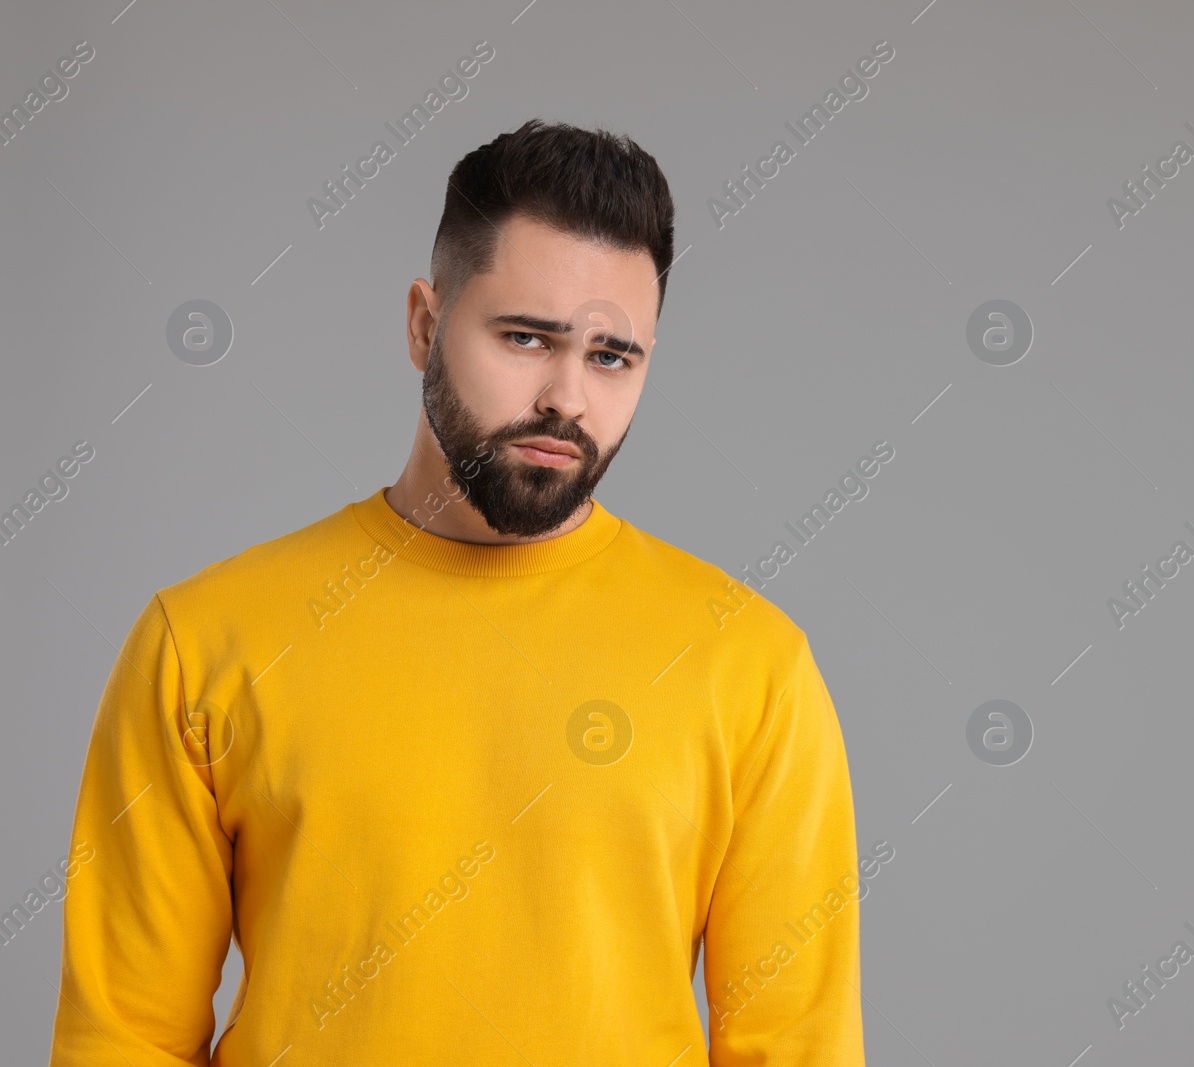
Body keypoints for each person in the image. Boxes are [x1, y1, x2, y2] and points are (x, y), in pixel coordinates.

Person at [48, 119, 866, 1066]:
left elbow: (796, 1048)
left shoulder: (748, 663)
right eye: (526, 336)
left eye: (613, 356)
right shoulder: (205, 641)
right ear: (424, 325)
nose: (568, 394)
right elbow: (124, 1039)